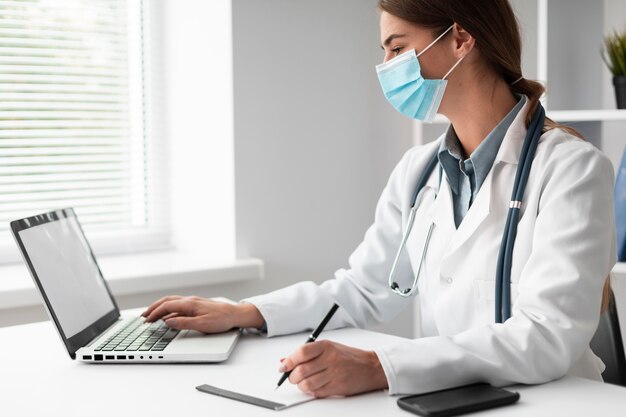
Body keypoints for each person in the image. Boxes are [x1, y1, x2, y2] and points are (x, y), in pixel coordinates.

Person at [142, 0, 616, 397]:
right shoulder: (418, 171)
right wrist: (246, 312)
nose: (388, 69)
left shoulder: (571, 169)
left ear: (460, 40)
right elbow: (363, 291)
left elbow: (548, 334)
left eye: (398, 48)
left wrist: (380, 365)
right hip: (452, 399)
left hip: (557, 400)